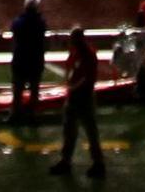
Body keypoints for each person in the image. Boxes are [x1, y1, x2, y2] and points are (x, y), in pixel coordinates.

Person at [51, 28, 105, 178]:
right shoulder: (79, 52)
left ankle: (98, 163)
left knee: (89, 130)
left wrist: (72, 86)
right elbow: (71, 68)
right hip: (75, 95)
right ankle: (67, 160)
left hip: (83, 96)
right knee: (70, 130)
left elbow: (87, 77)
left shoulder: (87, 54)